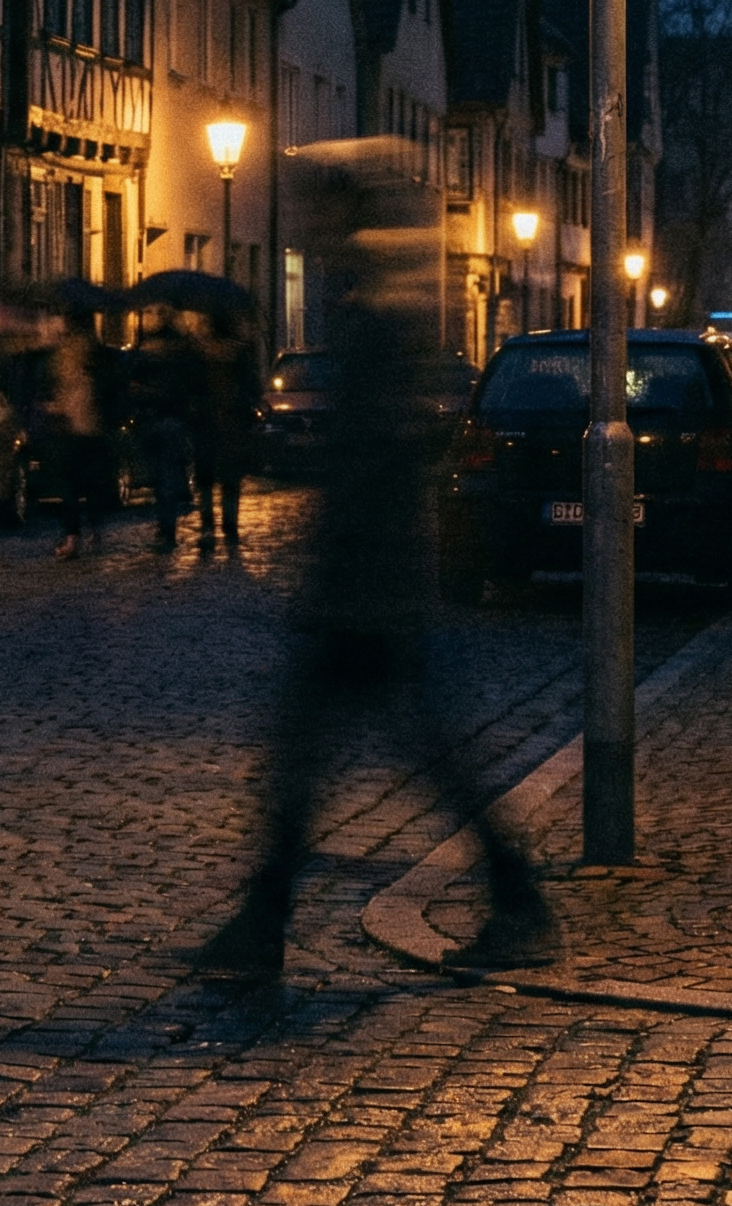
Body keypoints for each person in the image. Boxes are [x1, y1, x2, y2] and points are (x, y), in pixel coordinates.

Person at [193, 170, 556, 977]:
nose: (312, 226)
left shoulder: (380, 327)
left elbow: (379, 466)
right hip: (366, 589)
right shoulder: (375, 319)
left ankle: (514, 902)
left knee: (361, 761)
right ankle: (263, 923)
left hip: (370, 594)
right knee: (333, 761)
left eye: (324, 209)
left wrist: (341, 579)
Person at [45, 315, 122, 558]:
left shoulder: (74, 356)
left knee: (74, 486)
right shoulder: (93, 356)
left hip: (79, 428)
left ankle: (76, 537)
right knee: (86, 486)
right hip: (83, 429)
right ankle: (88, 533)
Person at [127, 304, 201, 552]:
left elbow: (132, 379)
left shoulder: (146, 346)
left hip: (153, 418)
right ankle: (166, 527)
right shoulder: (183, 347)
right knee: (167, 475)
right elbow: (192, 383)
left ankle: (165, 526)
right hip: (173, 418)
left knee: (160, 476)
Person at [192, 309, 263, 553]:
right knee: (230, 481)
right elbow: (252, 386)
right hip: (232, 424)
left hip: (207, 423)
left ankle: (207, 528)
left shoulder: (200, 354)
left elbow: (191, 387)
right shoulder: (240, 351)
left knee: (205, 480)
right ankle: (230, 528)